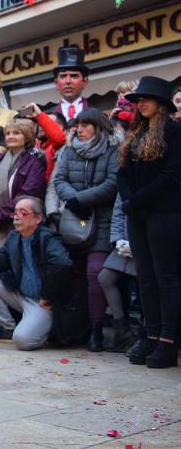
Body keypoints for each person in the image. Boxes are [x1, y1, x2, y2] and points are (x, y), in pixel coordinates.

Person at [117, 76, 181, 368]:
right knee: (144, 277)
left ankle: (168, 341)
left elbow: (170, 176)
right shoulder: (137, 131)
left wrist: (137, 199)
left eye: (146, 99)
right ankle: (151, 334)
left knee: (166, 277)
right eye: (138, 100)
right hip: (138, 213)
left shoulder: (174, 131)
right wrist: (129, 199)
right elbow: (122, 172)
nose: (140, 103)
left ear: (161, 104)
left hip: (165, 213)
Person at [45, 109, 119, 352]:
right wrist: (75, 201)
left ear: (99, 127)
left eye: (86, 125)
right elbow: (59, 179)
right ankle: (78, 327)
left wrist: (83, 199)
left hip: (103, 220)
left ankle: (96, 328)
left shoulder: (112, 149)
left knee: (95, 272)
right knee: (74, 274)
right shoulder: (69, 149)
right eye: (78, 125)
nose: (80, 129)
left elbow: (112, 182)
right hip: (74, 220)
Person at [0, 196, 73, 349]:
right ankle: (8, 328)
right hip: (21, 295)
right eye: (15, 212)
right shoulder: (14, 236)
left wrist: (47, 296)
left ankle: (46, 329)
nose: (17, 216)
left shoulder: (47, 238)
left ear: (38, 218)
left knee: (23, 341)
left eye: (23, 212)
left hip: (43, 302)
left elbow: (62, 264)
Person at [0, 120, 47, 247]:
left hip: (21, 221)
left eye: (16, 133)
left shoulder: (35, 161)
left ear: (26, 136)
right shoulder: (0, 159)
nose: (10, 136)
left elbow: (28, 193)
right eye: (8, 133)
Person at [98, 194, 137, 352]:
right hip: (124, 242)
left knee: (148, 284)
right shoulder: (126, 175)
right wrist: (118, 240)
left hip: (146, 241)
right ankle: (124, 333)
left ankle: (147, 336)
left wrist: (136, 243)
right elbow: (118, 212)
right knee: (105, 278)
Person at [53, 46, 91, 121]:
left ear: (85, 82)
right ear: (56, 83)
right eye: (63, 76)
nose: (68, 81)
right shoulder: (47, 117)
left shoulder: (98, 115)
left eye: (74, 76)